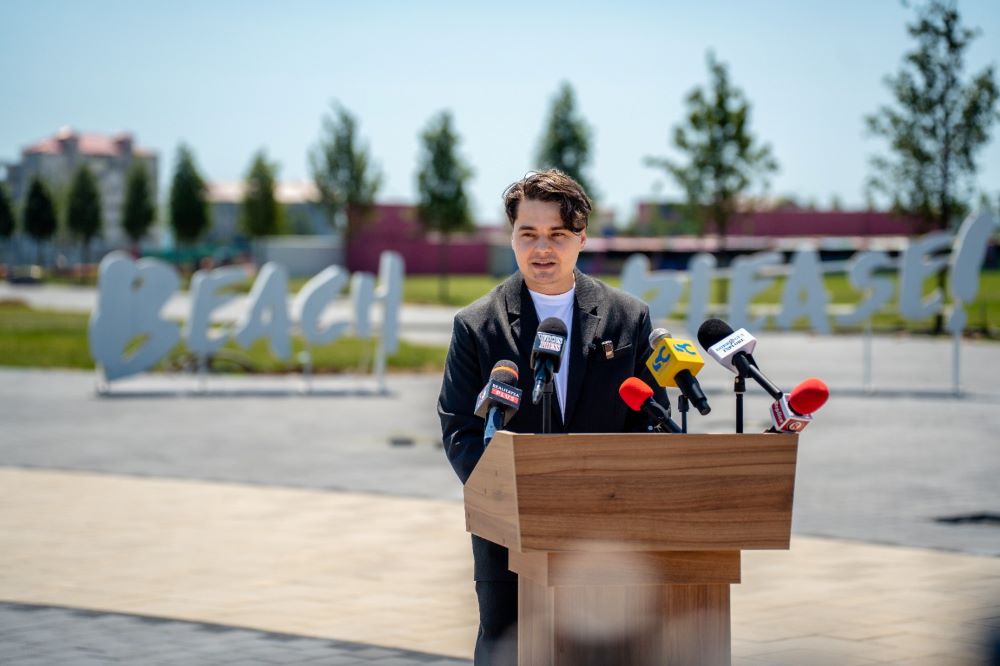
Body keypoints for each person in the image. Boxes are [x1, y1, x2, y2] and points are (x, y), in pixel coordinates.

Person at [437, 169, 666, 665]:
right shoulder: (477, 325)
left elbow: (653, 421)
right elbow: (460, 430)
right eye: (529, 234)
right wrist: (519, 502)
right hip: (508, 536)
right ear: (512, 237)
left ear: (581, 238)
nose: (543, 248)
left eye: (557, 235)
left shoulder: (628, 318)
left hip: (608, 534)